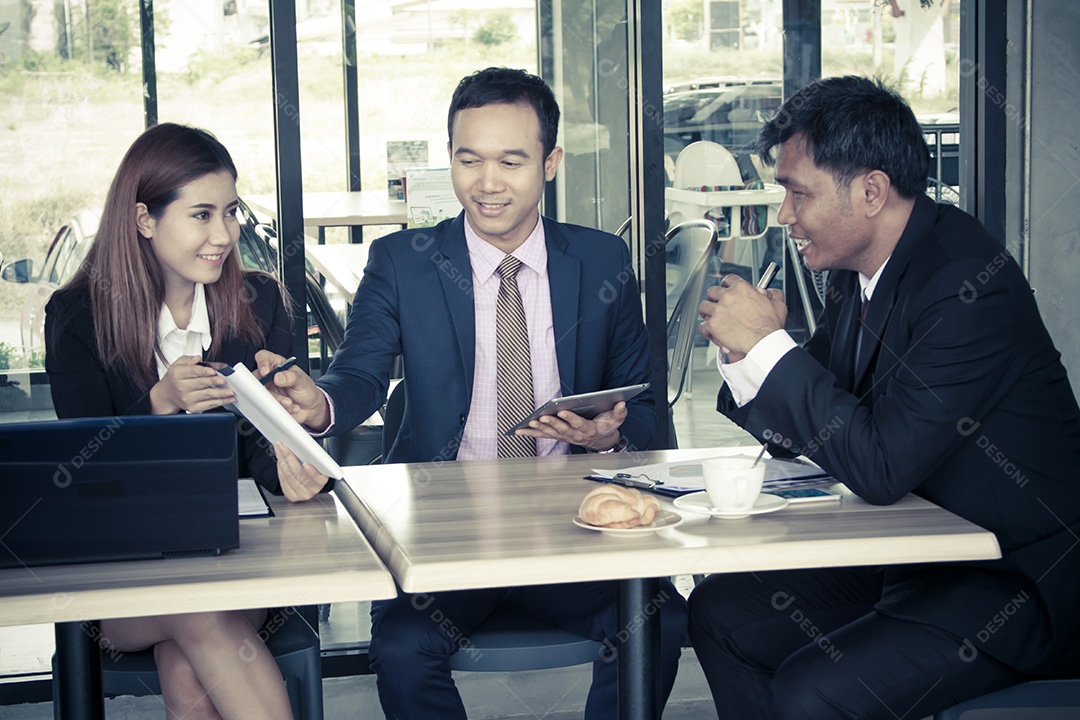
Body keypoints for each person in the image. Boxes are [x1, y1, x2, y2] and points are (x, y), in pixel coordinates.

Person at [260, 67, 687, 719]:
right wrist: (319, 406)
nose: (487, 184)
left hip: (570, 525)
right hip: (443, 529)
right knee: (403, 648)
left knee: (660, 617)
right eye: (469, 159)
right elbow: (360, 373)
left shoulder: (602, 262)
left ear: (551, 162)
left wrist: (611, 436)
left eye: (511, 161)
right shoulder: (403, 260)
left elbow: (649, 414)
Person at [689, 74, 1080, 720]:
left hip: (1009, 588)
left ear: (871, 190)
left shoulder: (963, 287)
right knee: (721, 611)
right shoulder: (860, 271)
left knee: (809, 691)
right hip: (916, 562)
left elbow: (878, 465)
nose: (784, 216)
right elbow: (810, 433)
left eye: (796, 193)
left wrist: (769, 347)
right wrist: (747, 353)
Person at [44, 122, 328, 720]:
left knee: (185, 656)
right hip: (121, 570)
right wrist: (158, 404)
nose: (223, 235)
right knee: (198, 612)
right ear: (144, 218)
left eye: (230, 213)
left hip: (234, 555)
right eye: (201, 214)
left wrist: (293, 470)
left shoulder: (261, 304)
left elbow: (267, 462)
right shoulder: (77, 315)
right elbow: (79, 471)